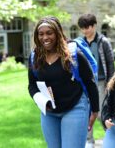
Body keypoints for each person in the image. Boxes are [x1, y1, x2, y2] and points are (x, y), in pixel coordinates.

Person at [28, 16, 99, 148]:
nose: (45, 37)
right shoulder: (35, 57)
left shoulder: (74, 54)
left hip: (75, 108)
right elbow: (32, 85)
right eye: (41, 34)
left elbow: (90, 82)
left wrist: (94, 112)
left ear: (58, 33)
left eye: (49, 33)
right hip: (49, 113)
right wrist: (40, 100)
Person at [78, 13, 115, 147]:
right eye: (82, 28)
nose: (85, 30)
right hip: (85, 83)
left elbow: (110, 64)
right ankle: (89, 140)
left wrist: (110, 83)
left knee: (101, 111)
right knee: (87, 111)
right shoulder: (80, 43)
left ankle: (111, 137)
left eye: (87, 27)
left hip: (101, 82)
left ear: (94, 26)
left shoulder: (103, 42)